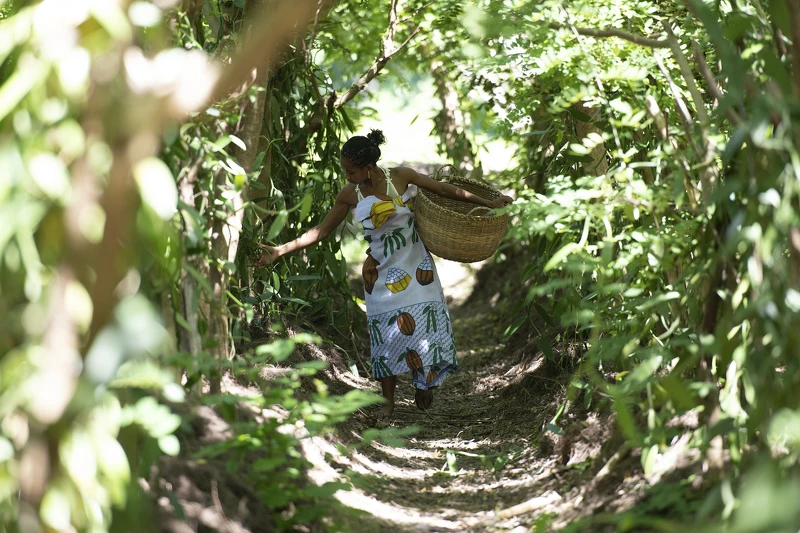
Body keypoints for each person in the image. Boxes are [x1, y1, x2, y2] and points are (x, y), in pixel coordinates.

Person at [257, 130, 513, 423]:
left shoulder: (401, 177)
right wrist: (279, 251)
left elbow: (445, 191)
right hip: (379, 274)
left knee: (424, 327)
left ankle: (423, 382)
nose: (348, 176)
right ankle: (388, 406)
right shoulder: (349, 194)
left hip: (417, 268)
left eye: (351, 171)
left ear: (367, 167)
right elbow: (321, 231)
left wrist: (488, 202)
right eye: (345, 171)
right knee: (386, 338)